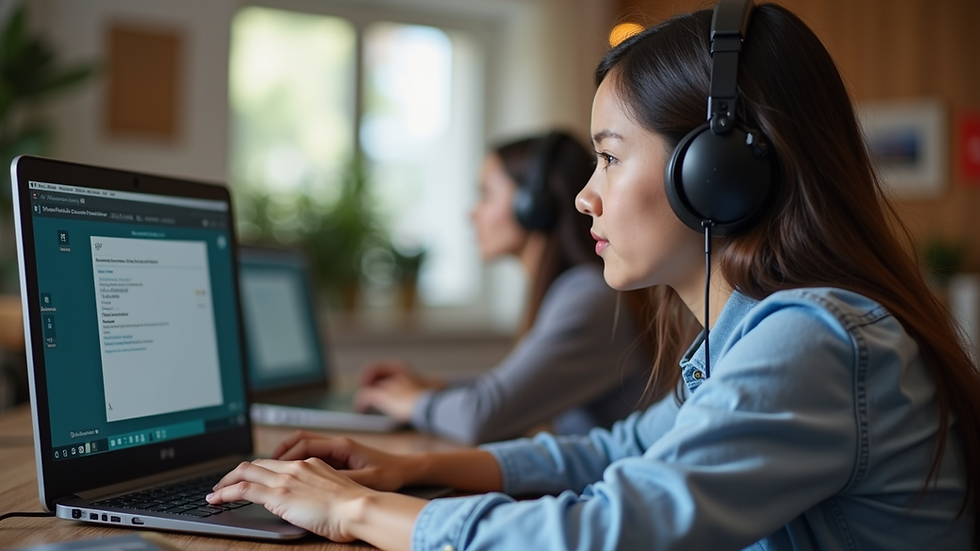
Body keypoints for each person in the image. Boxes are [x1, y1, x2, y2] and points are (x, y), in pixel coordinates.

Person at [207, 2, 980, 549]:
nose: (585, 195)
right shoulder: (751, 339)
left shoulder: (813, 343)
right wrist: (411, 467)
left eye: (610, 157)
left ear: (716, 172)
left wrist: (353, 511)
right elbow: (609, 451)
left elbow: (604, 531)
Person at [352, 131, 654, 444]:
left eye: (486, 194)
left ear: (532, 206)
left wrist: (414, 402)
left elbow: (481, 417)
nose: (472, 213)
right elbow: (511, 390)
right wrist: (435, 385)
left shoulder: (589, 297)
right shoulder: (573, 290)